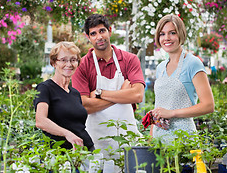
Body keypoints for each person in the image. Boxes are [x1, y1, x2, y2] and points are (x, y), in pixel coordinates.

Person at [72, 14, 145, 159]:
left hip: (126, 135)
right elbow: (84, 106)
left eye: (102, 31)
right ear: (88, 37)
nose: (99, 37)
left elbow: (137, 95)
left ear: (109, 31)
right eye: (93, 33)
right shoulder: (82, 65)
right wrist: (122, 94)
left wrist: (99, 93)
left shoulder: (130, 59)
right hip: (96, 138)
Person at [150, 14, 214, 142]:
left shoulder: (192, 63)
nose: (166, 38)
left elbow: (208, 105)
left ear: (181, 34)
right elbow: (158, 108)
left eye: (172, 33)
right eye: (162, 34)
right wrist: (151, 140)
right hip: (159, 140)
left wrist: (172, 113)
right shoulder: (160, 68)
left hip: (183, 139)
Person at [34, 41, 94, 151]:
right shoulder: (45, 88)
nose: (69, 64)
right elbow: (40, 121)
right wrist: (67, 134)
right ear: (54, 63)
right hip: (61, 156)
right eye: (63, 60)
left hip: (86, 151)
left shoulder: (75, 93)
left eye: (73, 60)